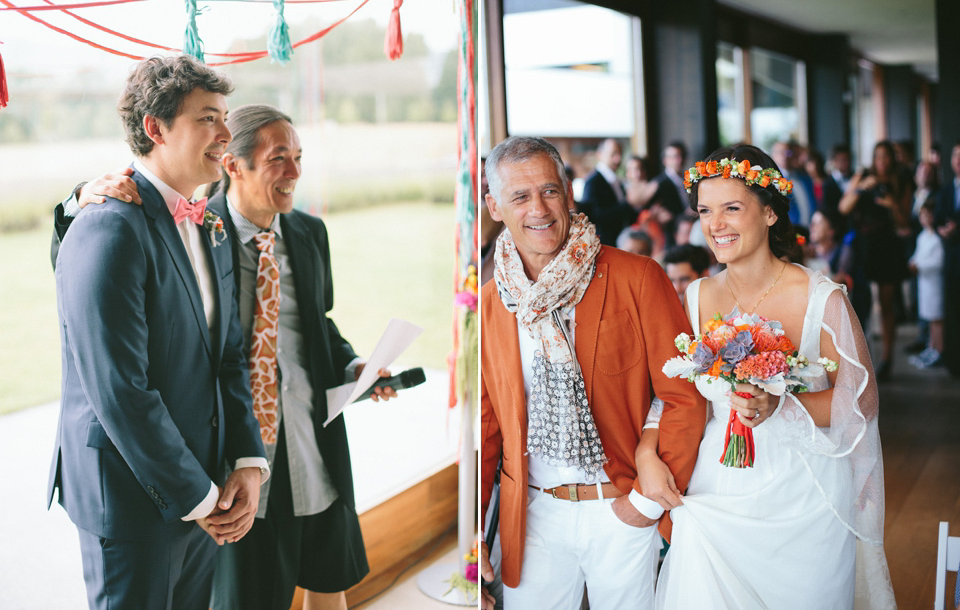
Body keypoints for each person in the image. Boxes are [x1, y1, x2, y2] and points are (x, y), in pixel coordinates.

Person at [54, 103, 396, 610]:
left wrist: (352, 366)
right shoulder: (191, 225)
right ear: (235, 165)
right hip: (223, 462)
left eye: (299, 156)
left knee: (327, 580)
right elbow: (97, 268)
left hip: (306, 440)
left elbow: (315, 323)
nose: (295, 172)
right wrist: (77, 199)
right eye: (280, 157)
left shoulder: (307, 234)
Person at [49, 55, 268, 610]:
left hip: (204, 488)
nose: (226, 135)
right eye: (207, 119)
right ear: (155, 128)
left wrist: (245, 459)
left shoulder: (212, 224)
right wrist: (197, 495)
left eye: (225, 118)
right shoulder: (106, 226)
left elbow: (228, 356)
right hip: (130, 496)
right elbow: (121, 391)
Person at [639, 144, 894, 609]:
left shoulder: (820, 297)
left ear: (771, 212)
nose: (716, 224)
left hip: (804, 494)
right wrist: (645, 449)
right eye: (705, 211)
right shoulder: (695, 295)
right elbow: (670, 392)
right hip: (718, 485)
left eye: (732, 208)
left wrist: (782, 404)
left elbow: (861, 400)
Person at [478, 136, 705, 610]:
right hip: (534, 513)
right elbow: (487, 426)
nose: (538, 208)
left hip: (620, 505)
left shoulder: (637, 276)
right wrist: (474, 529)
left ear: (569, 192)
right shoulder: (489, 303)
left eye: (550, 191)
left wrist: (643, 505)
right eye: (519, 196)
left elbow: (685, 394)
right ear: (494, 206)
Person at [839, 140, 913, 379]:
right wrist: (861, 188)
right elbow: (843, 208)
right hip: (864, 244)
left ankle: (887, 358)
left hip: (887, 245)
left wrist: (892, 206)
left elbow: (904, 223)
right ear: (873, 158)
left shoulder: (901, 180)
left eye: (887, 157)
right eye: (878, 156)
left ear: (893, 159)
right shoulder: (863, 175)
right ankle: (861, 357)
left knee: (887, 303)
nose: (882, 162)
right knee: (860, 301)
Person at [907, 200, 944, 369]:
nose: (925, 218)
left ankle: (939, 349)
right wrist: (913, 262)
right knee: (929, 316)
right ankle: (931, 347)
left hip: (934, 282)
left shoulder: (937, 238)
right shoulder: (922, 236)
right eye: (922, 215)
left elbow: (938, 261)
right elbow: (918, 254)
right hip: (924, 282)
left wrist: (919, 265)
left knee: (937, 317)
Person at [579, 138, 637, 245]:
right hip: (604, 245)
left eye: (620, 154)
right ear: (600, 154)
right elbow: (593, 216)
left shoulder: (618, 181)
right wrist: (628, 203)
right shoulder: (592, 182)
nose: (618, 159)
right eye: (613, 154)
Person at [935, 142, 960, 375]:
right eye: (956, 156)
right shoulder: (945, 190)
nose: (958, 161)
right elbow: (937, 217)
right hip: (951, 258)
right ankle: (953, 359)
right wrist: (944, 230)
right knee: (951, 307)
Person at [649, 141, 689, 244]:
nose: (678, 160)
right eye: (674, 157)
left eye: (680, 156)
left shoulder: (689, 179)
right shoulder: (658, 184)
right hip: (669, 237)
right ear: (665, 160)